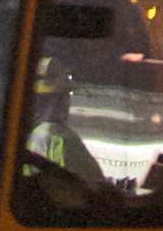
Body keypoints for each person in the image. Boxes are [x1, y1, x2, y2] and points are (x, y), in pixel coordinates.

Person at [20, 54, 106, 197]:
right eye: (64, 97)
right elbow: (97, 191)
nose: (66, 103)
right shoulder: (58, 137)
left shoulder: (16, 134)